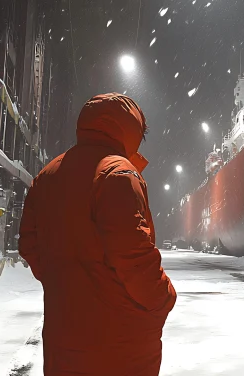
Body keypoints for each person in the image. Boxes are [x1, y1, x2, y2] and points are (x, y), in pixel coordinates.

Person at [19, 93, 176, 376]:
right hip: (119, 343)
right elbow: (133, 256)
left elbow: (30, 245)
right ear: (129, 130)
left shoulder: (47, 175)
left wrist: (69, 282)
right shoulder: (118, 174)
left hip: (64, 337)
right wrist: (164, 298)